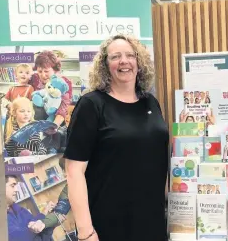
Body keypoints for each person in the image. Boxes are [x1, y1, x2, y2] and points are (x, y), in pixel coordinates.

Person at [63, 34, 169, 241]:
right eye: (115, 56)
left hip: (152, 219)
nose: (124, 61)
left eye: (130, 55)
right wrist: (85, 231)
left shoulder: (150, 102)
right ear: (105, 65)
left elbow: (157, 157)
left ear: (139, 63)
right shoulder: (91, 105)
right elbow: (74, 171)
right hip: (108, 222)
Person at [29, 50, 72, 127]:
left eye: (46, 71)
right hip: (35, 121)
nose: (43, 75)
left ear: (55, 70)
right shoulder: (34, 78)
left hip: (55, 121)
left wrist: (53, 126)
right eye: (40, 71)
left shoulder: (64, 83)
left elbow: (64, 107)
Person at [6, 175, 55, 241]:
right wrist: (44, 220)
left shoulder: (20, 209)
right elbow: (20, 237)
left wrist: (52, 222)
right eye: (12, 186)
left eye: (16, 186)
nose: (17, 190)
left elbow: (38, 231)